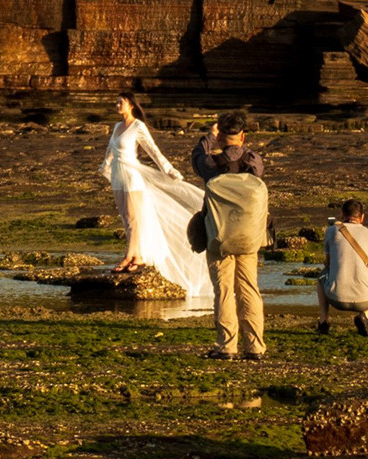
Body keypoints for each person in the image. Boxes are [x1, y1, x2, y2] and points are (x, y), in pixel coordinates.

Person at [98, 92, 212, 297]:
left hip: (132, 174)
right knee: (125, 217)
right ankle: (136, 255)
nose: (117, 105)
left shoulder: (137, 126)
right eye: (116, 102)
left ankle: (132, 256)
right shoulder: (117, 127)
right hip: (117, 173)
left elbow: (153, 151)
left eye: (121, 102)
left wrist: (169, 170)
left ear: (131, 105)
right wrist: (104, 166)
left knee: (134, 217)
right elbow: (110, 149)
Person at [192, 111, 267, 361]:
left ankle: (227, 346)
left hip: (218, 236)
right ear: (243, 135)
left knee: (224, 290)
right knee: (249, 288)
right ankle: (255, 346)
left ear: (221, 135)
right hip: (249, 236)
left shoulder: (211, 165)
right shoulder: (254, 161)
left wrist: (208, 138)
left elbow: (196, 158)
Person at [318, 199, 368, 336]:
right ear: (362, 218)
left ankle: (324, 321)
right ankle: (364, 316)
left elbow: (328, 263)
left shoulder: (331, 231)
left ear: (342, 214)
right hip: (364, 300)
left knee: (321, 276)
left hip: (335, 298)